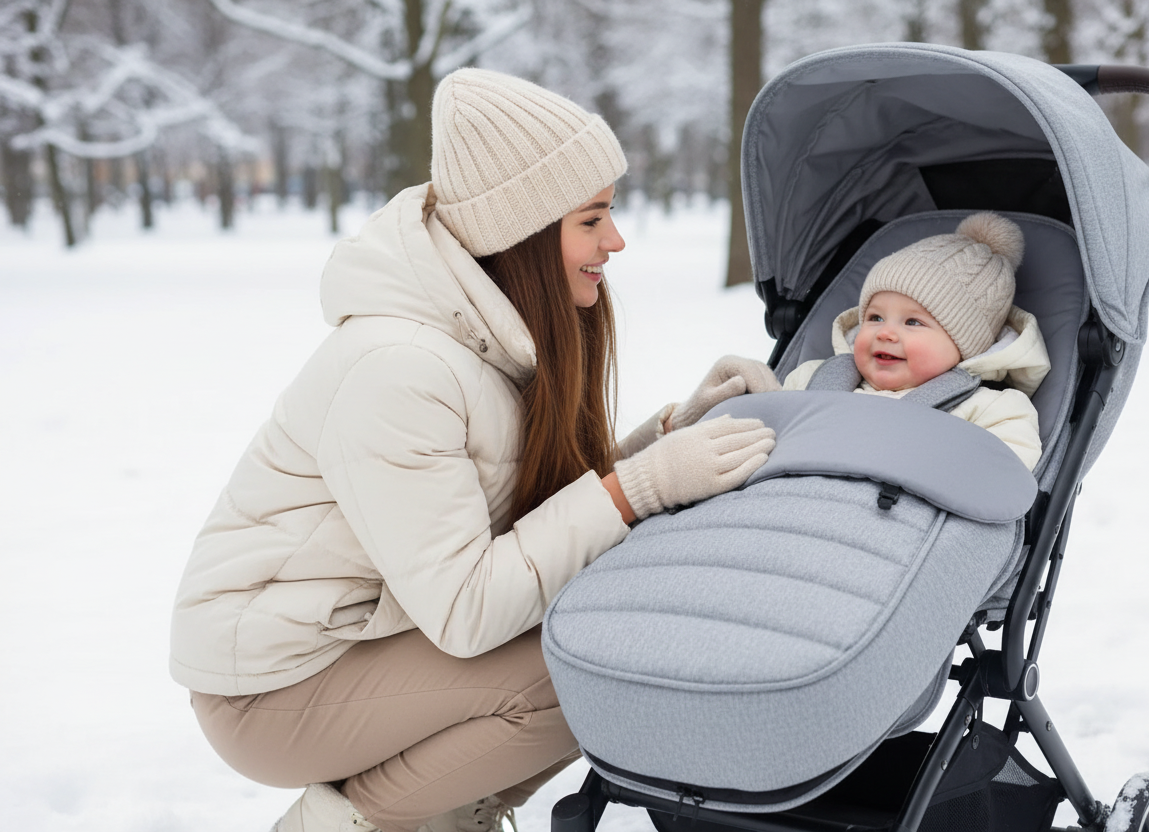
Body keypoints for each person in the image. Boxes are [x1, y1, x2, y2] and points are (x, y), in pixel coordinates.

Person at [169, 68, 777, 832]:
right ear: (522, 232)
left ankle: (439, 817)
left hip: (373, 640)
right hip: (270, 687)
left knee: (592, 643)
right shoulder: (400, 369)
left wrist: (667, 436)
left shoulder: (489, 333)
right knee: (582, 667)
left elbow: (526, 510)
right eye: (592, 219)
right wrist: (637, 487)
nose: (615, 241)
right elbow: (467, 608)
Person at [782, 212, 1051, 470]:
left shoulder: (993, 409)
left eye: (912, 322)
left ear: (965, 346)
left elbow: (1006, 470)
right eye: (875, 318)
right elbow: (771, 426)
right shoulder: (810, 380)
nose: (885, 333)